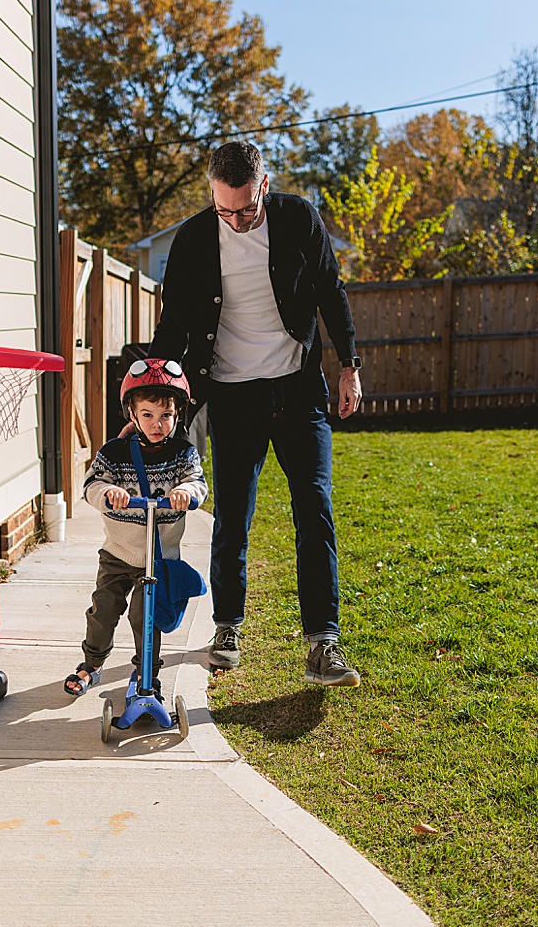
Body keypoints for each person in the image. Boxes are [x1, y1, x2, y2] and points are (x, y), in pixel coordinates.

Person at [148, 140, 364, 688]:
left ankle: (323, 642)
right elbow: (173, 324)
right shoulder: (195, 239)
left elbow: (329, 291)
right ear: (212, 197)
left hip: (297, 388)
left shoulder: (297, 219)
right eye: (226, 210)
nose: (238, 221)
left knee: (314, 505)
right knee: (233, 518)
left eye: (247, 209)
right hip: (232, 394)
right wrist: (152, 389)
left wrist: (349, 365)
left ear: (264, 186)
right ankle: (227, 627)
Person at [65, 359, 208, 697]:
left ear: (178, 415)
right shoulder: (114, 452)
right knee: (104, 609)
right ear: (131, 412)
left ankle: (147, 677)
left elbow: (197, 483)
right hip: (119, 552)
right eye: (148, 415)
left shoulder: (183, 453)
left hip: (157, 559)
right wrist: (108, 493)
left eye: (166, 416)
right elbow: (92, 485)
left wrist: (185, 492)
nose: (157, 424)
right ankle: (92, 664)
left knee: (146, 619)